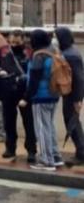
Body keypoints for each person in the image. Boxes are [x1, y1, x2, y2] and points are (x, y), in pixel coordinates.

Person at [0, 30, 36, 163]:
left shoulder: (29, 52)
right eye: (11, 42)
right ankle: (10, 148)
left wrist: (24, 78)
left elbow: (33, 71)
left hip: (24, 91)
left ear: (23, 40)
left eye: (16, 42)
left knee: (29, 122)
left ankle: (31, 150)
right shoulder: (3, 51)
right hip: (7, 89)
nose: (13, 45)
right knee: (9, 122)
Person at [26, 29, 63, 171]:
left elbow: (34, 79)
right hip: (54, 94)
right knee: (50, 127)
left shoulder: (39, 55)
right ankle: (56, 156)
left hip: (40, 96)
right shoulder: (54, 51)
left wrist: (27, 96)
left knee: (41, 129)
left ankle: (46, 160)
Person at [56, 26, 84, 164]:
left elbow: (78, 78)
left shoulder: (71, 55)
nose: (55, 40)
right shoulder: (69, 52)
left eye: (57, 37)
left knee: (72, 122)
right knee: (71, 121)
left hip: (72, 94)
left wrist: (78, 99)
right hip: (70, 93)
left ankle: (81, 153)